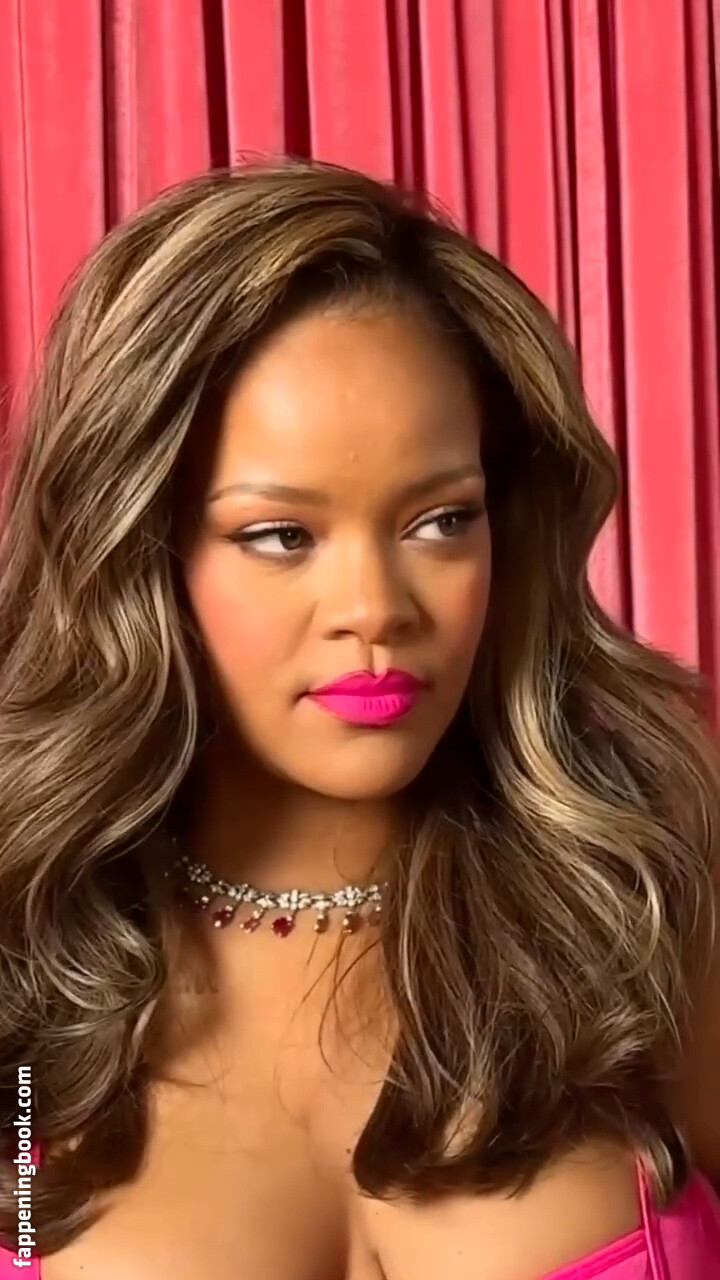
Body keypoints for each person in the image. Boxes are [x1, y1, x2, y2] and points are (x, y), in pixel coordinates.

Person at [0, 157, 718, 1279]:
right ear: (141, 551)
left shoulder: (641, 898)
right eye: (281, 536)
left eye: (440, 520)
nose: (377, 608)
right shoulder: (26, 947)